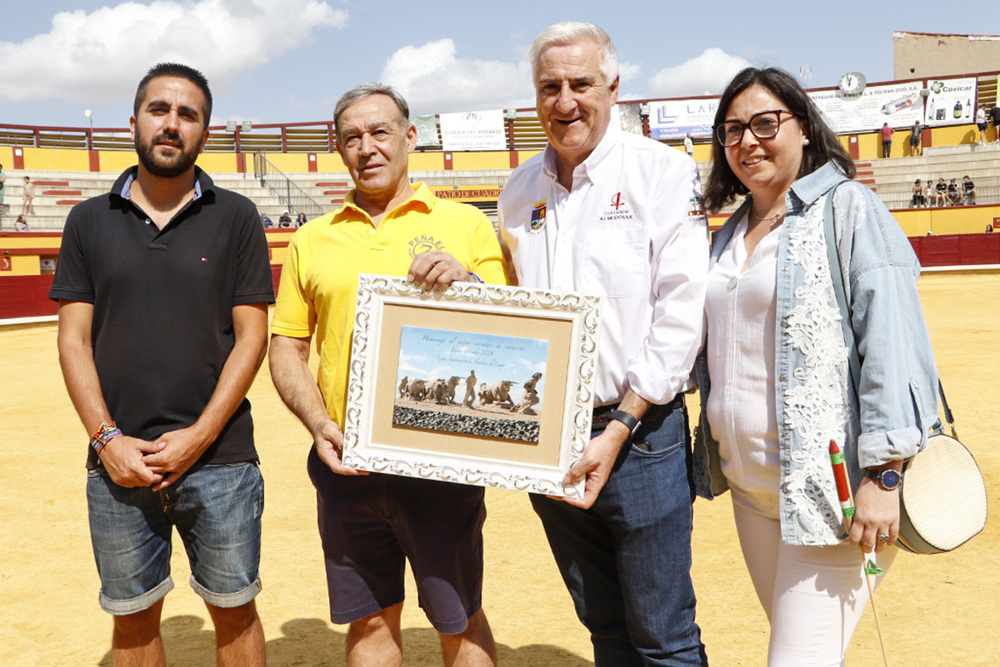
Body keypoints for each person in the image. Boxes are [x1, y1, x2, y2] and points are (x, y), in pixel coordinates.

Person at [697, 66, 939, 666]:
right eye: (732, 131)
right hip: (751, 491)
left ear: (803, 128)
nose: (747, 142)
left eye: (764, 123)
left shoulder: (849, 208)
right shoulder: (727, 235)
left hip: (833, 499)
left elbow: (893, 341)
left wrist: (885, 476)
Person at [268, 83, 504, 666]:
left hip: (440, 460)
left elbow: (511, 332)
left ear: (409, 137)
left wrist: (471, 286)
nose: (367, 147)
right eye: (352, 137)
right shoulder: (312, 238)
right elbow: (287, 346)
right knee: (369, 621)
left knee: (460, 618)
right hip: (347, 460)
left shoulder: (466, 224)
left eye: (379, 132)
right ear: (338, 148)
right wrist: (317, 422)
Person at [48, 62, 274, 667]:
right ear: (134, 122)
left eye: (188, 114)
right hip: (117, 464)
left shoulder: (238, 217)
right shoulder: (87, 220)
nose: (172, 124)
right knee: (133, 621)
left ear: (205, 132)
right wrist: (107, 440)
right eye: (159, 110)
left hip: (221, 460)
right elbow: (73, 341)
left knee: (235, 610)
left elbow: (252, 338)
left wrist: (200, 436)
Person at [499, 22, 710, 666]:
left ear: (613, 87)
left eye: (580, 84)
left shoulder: (663, 173)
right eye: (549, 87)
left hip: (641, 434)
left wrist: (619, 426)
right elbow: (513, 316)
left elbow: (682, 314)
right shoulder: (516, 194)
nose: (565, 102)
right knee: (604, 625)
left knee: (664, 634)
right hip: (549, 439)